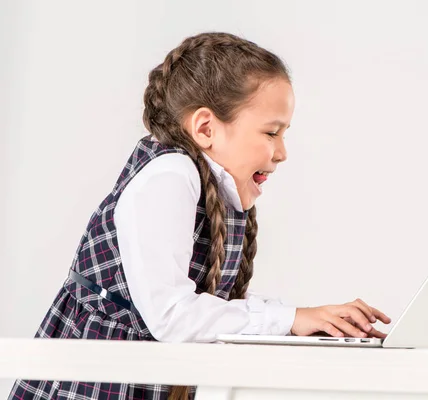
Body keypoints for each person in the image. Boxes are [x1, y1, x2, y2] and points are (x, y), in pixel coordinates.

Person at [9, 31, 391, 400]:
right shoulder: (169, 176)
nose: (282, 153)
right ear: (206, 127)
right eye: (272, 133)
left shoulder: (207, 185)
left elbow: (194, 304)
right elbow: (172, 315)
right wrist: (290, 319)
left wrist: (304, 320)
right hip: (99, 384)